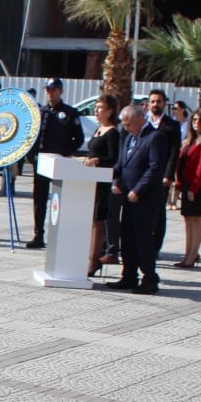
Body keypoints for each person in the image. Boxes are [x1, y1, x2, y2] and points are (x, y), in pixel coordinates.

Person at [107, 105, 168, 295]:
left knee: (142, 240)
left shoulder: (155, 137)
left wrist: (138, 190)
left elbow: (155, 168)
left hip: (145, 199)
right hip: (127, 197)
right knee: (127, 239)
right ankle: (129, 276)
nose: (125, 128)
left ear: (140, 119)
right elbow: (121, 164)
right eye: (124, 124)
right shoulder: (129, 137)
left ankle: (149, 279)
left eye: (128, 124)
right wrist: (107, 175)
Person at [27, 78, 85, 248]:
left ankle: (60, 235)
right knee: (39, 199)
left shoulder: (69, 112)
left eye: (54, 90)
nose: (50, 93)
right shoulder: (39, 111)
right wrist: (32, 157)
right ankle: (38, 234)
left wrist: (67, 153)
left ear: (60, 91)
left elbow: (78, 138)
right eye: (48, 90)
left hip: (60, 163)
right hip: (42, 163)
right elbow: (31, 138)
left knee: (60, 200)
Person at [173, 109, 201, 270]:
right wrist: (179, 185)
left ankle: (193, 254)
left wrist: (194, 187)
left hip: (200, 184)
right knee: (187, 218)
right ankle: (188, 253)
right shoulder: (190, 140)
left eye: (200, 120)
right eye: (194, 120)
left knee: (196, 219)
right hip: (186, 183)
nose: (197, 123)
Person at [82, 94, 120, 275]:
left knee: (98, 221)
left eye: (100, 108)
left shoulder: (112, 132)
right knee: (91, 220)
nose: (96, 111)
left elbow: (114, 158)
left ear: (110, 111)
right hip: (90, 181)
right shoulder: (99, 129)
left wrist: (97, 160)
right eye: (96, 107)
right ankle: (89, 256)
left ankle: (93, 260)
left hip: (102, 183)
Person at [143, 89, 180, 256]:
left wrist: (168, 175)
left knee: (158, 211)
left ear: (164, 103)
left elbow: (174, 151)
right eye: (152, 101)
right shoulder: (144, 122)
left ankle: (155, 246)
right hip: (144, 174)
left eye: (158, 101)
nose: (155, 104)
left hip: (161, 175)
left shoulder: (172, 126)